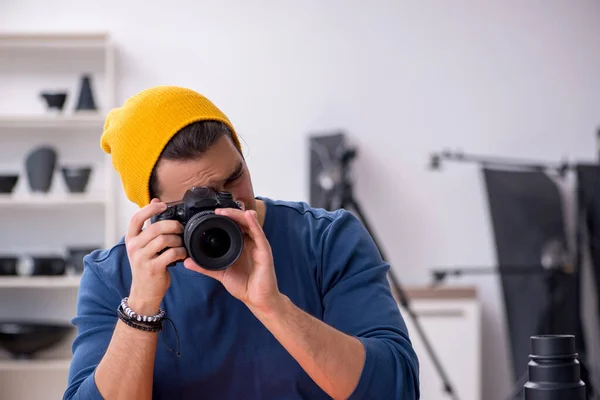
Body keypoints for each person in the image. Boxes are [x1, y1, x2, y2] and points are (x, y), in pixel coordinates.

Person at [63, 86, 420, 400]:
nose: (226, 205)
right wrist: (141, 306)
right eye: (195, 202)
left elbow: (396, 389)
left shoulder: (327, 240)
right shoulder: (113, 275)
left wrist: (272, 306)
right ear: (153, 209)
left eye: (235, 179)